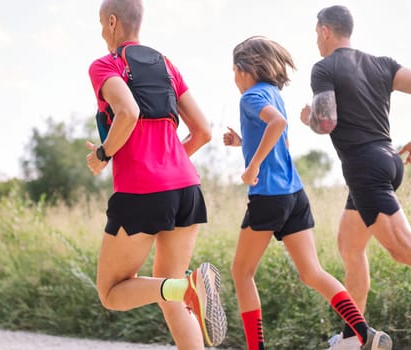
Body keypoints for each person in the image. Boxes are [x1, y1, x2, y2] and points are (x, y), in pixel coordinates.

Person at [224, 36, 391, 350]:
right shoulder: (273, 93)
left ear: (245, 69)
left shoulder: (250, 98)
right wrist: (242, 145)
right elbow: (281, 140)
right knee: (312, 271)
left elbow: (278, 124)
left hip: (268, 196)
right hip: (294, 195)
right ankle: (363, 333)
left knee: (241, 272)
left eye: (234, 70)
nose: (233, 78)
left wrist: (252, 166)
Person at [85, 0, 227, 348]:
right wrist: (168, 160)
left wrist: (104, 153)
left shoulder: (106, 65)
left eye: (101, 24)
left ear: (113, 21)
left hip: (141, 191)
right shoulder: (166, 66)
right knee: (170, 292)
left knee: (112, 291)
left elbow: (128, 112)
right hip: (186, 188)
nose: (101, 31)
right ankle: (185, 287)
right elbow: (203, 130)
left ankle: (187, 286)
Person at [300, 5, 411, 350]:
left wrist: (308, 116)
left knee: (408, 251)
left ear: (325, 30)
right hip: (385, 161)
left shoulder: (324, 68)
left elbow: (326, 123)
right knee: (350, 247)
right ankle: (352, 338)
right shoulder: (382, 63)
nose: (316, 41)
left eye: (315, 34)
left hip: (365, 169)